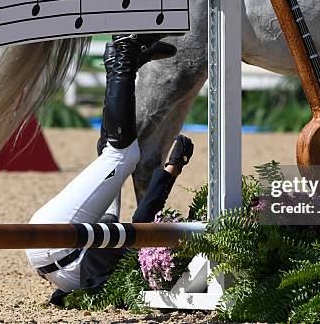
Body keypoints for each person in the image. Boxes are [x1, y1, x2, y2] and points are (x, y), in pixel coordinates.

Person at [26, 33, 194, 305]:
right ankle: (121, 67)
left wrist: (171, 169)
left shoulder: (137, 270)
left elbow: (143, 219)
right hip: (60, 252)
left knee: (122, 156)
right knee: (110, 158)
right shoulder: (120, 277)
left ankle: (123, 57)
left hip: (60, 247)